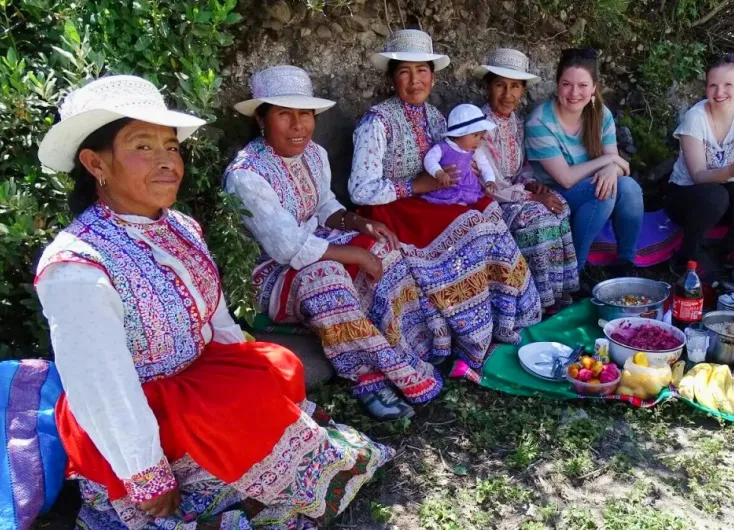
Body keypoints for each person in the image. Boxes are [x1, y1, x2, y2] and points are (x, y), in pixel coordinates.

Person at [34, 75, 392, 529]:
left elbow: (215, 317)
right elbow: (102, 389)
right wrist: (146, 477)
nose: (167, 161)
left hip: (199, 390)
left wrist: (249, 373)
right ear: (94, 162)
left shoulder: (180, 227)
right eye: (143, 146)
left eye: (171, 146)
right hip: (144, 422)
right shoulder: (77, 267)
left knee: (287, 402)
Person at [225, 65, 448, 421]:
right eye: (284, 114)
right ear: (261, 120)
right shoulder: (247, 175)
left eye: (305, 114)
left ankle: (406, 347)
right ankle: (367, 377)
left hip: (317, 242)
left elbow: (326, 205)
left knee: (385, 250)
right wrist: (355, 253)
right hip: (268, 271)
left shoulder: (313, 153)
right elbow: (288, 248)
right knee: (326, 278)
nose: (298, 125)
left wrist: (361, 223)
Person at [349, 30, 541, 377]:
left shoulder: (438, 119)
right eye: (404, 72)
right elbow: (361, 189)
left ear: (432, 77)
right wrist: (415, 186)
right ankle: (471, 339)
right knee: (473, 229)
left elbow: (461, 158)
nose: (414, 80)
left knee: (489, 214)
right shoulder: (376, 122)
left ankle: (506, 322)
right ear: (392, 77)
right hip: (395, 208)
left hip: (434, 202)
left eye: (421, 71)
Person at [475, 48, 579, 310]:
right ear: (489, 86)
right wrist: (532, 196)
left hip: (518, 194)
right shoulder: (477, 126)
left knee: (559, 206)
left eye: (515, 87)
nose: (507, 94)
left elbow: (522, 167)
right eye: (500, 85)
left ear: (522, 91)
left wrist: (533, 183)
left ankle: (558, 288)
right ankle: (539, 299)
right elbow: (492, 185)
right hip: (491, 201)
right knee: (538, 218)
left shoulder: (517, 123)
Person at [524, 47, 643, 275]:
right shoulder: (540, 121)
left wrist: (610, 168)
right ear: (557, 84)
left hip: (588, 184)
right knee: (602, 192)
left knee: (630, 187)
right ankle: (575, 270)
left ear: (594, 88)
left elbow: (617, 166)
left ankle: (626, 262)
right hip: (554, 191)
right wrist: (609, 161)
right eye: (567, 84)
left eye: (582, 85)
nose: (574, 92)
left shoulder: (600, 114)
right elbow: (566, 179)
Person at [664, 53, 734, 281]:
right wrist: (732, 171)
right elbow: (699, 175)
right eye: (713, 86)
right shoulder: (695, 118)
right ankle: (684, 259)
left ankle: (730, 249)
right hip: (687, 197)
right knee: (715, 195)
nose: (719, 93)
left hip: (726, 195)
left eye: (728, 85)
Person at [422, 103, 497, 205]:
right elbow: (429, 159)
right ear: (458, 135)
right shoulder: (443, 148)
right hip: (449, 189)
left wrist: (490, 180)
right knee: (459, 209)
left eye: (481, 136)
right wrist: (438, 172)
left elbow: (485, 165)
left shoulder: (475, 151)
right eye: (475, 135)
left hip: (470, 189)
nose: (479, 141)